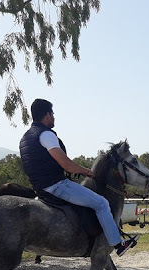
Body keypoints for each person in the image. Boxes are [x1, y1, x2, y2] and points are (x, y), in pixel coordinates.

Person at [19, 98, 138, 256]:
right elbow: (66, 164)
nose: (54, 117)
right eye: (52, 113)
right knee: (102, 203)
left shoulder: (25, 138)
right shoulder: (46, 135)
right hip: (56, 185)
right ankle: (118, 244)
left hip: (39, 188)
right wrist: (86, 171)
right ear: (47, 115)